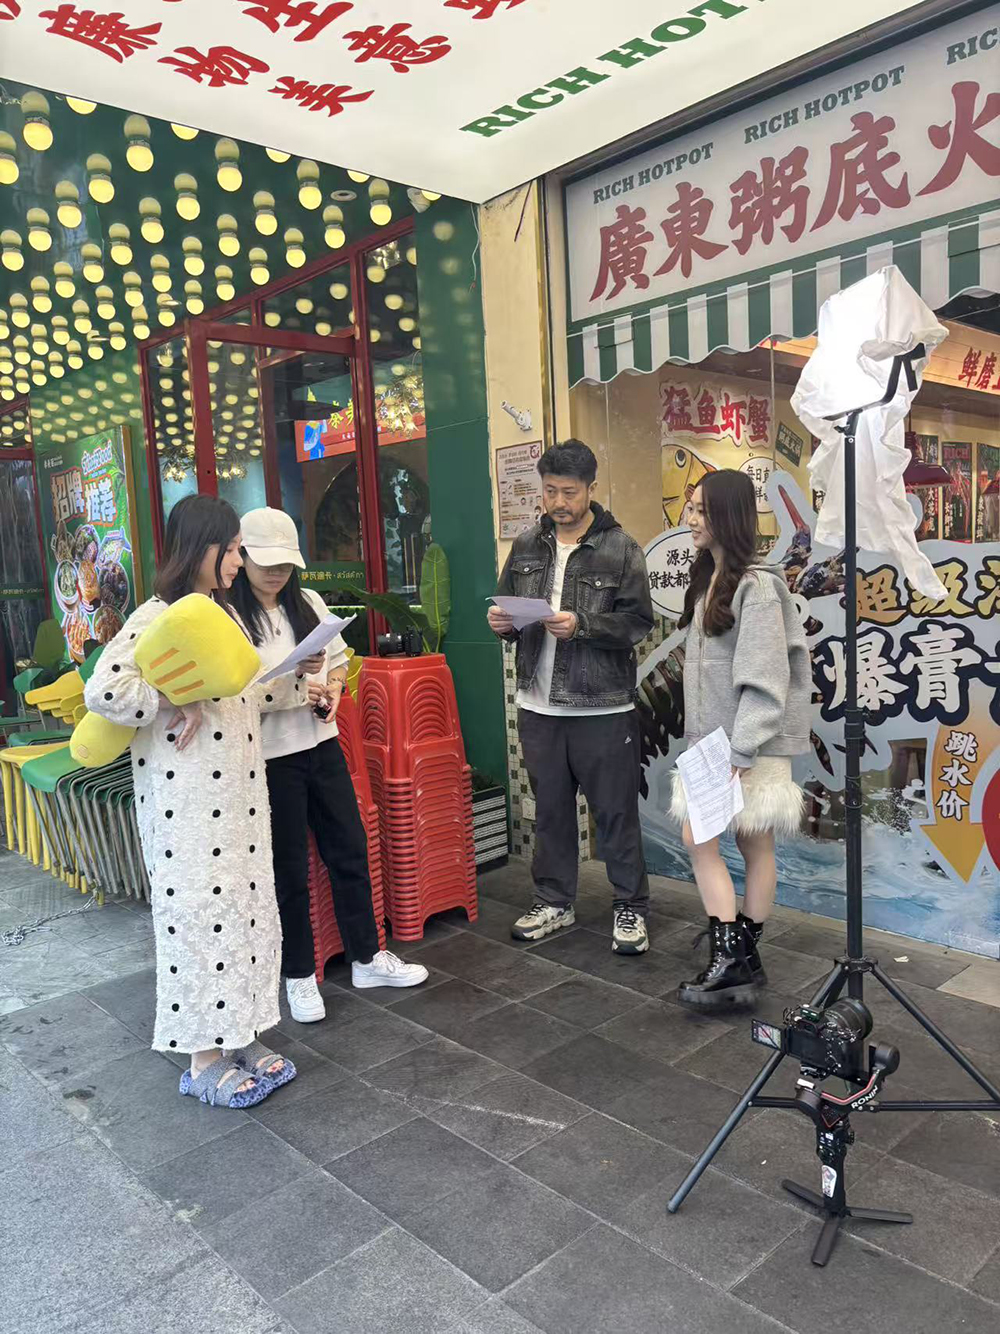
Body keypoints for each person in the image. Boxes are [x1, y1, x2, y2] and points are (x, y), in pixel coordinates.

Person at [83, 495, 310, 1109]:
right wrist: (169, 699)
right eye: (231, 548)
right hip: (185, 807)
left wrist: (300, 680)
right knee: (197, 921)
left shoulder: (225, 613)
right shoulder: (158, 614)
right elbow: (104, 690)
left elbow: (243, 695)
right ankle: (202, 1057)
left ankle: (244, 1034)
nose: (238, 560)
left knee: (246, 915)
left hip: (240, 801)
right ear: (200, 548)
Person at [230, 507, 428, 1023]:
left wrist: (332, 692)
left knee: (350, 849)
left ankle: (367, 956)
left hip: (320, 744)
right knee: (289, 869)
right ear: (242, 556)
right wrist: (296, 681)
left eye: (285, 564)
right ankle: (298, 975)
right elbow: (235, 694)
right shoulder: (228, 615)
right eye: (266, 563)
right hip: (268, 759)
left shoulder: (308, 602)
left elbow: (338, 663)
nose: (277, 573)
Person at [488, 440, 655, 953]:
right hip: (539, 706)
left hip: (602, 707)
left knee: (615, 813)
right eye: (550, 491)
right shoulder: (526, 545)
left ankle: (630, 907)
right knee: (551, 812)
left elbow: (638, 623)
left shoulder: (621, 548)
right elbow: (510, 608)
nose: (558, 502)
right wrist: (502, 624)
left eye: (569, 492)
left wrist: (583, 624)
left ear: (591, 489)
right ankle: (554, 901)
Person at [671, 470, 810, 1008]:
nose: (690, 518)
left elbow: (766, 677)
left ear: (727, 516)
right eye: (690, 507)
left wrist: (742, 748)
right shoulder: (713, 580)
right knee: (752, 843)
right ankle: (744, 955)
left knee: (702, 839)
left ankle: (731, 956)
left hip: (742, 745)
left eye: (701, 510)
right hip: (721, 743)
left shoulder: (758, 587)